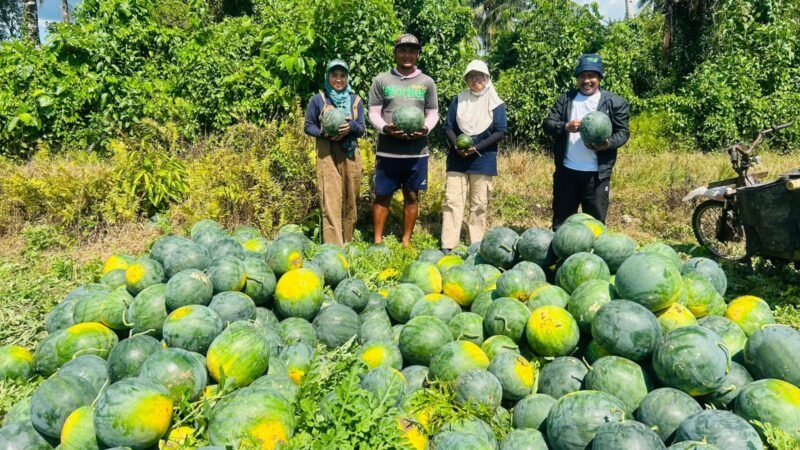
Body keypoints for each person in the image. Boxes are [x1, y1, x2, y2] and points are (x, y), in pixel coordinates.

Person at [543, 53, 630, 230]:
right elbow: (548, 124)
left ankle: (592, 257)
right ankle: (560, 257)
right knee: (561, 224)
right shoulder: (566, 99)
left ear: (599, 78)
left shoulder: (614, 103)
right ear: (577, 78)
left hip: (596, 176)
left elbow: (623, 133)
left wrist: (607, 144)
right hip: (567, 173)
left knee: (595, 226)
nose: (587, 80)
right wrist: (565, 126)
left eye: (591, 76)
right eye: (582, 76)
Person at [368, 33, 439, 247]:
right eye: (402, 50)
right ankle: (378, 241)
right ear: (395, 53)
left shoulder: (427, 82)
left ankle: (406, 240)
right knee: (382, 196)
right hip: (388, 151)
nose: (407, 55)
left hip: (416, 152)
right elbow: (373, 112)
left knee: (412, 195)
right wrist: (386, 129)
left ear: (418, 54)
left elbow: (433, 112)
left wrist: (425, 129)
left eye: (412, 50)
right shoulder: (381, 80)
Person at [441, 60, 507, 253]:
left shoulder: (496, 103)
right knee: (452, 200)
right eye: (470, 76)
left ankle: (476, 245)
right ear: (466, 80)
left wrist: (476, 147)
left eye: (479, 76)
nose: (475, 80)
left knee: (479, 203)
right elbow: (448, 127)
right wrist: (456, 145)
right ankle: (448, 244)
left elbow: (501, 131)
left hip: (483, 159)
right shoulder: (459, 100)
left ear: (486, 78)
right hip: (457, 158)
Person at [304, 59, 365, 246]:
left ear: (347, 78)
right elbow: (308, 126)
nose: (338, 80)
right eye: (334, 75)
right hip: (327, 155)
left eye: (342, 76)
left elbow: (362, 129)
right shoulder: (318, 100)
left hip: (350, 154)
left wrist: (350, 127)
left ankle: (348, 242)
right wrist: (323, 133)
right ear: (327, 77)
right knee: (330, 200)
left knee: (350, 199)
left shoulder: (356, 101)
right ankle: (333, 247)